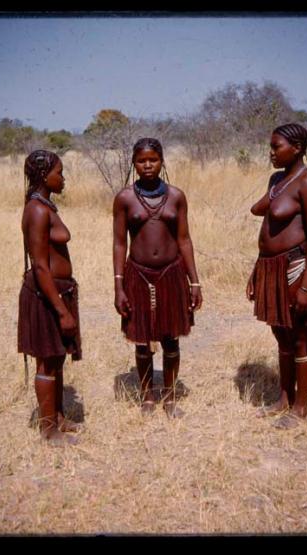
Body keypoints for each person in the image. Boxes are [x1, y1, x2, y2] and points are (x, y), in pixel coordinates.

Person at [246, 123, 307, 429]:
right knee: (280, 334)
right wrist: (258, 270)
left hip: (296, 268)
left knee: (300, 339)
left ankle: (301, 408)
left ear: (297, 148)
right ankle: (283, 398)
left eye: (276, 147)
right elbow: (258, 211)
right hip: (270, 268)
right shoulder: (278, 181)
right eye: (270, 146)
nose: (270, 152)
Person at [113, 138, 202, 418]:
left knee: (170, 338)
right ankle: (147, 396)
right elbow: (118, 243)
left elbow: (184, 240)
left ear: (162, 160)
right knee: (142, 340)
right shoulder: (125, 198)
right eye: (141, 160)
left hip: (171, 274)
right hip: (137, 274)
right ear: (134, 163)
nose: (147, 165)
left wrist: (194, 282)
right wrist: (119, 285)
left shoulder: (176, 196)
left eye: (153, 159)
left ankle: (171, 395)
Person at [18, 150, 82, 445]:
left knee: (56, 358)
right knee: (46, 360)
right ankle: (48, 430)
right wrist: (61, 310)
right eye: (60, 172)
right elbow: (40, 265)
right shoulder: (38, 210)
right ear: (45, 176)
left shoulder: (45, 206)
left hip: (57, 290)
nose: (63, 178)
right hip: (46, 294)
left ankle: (57, 417)